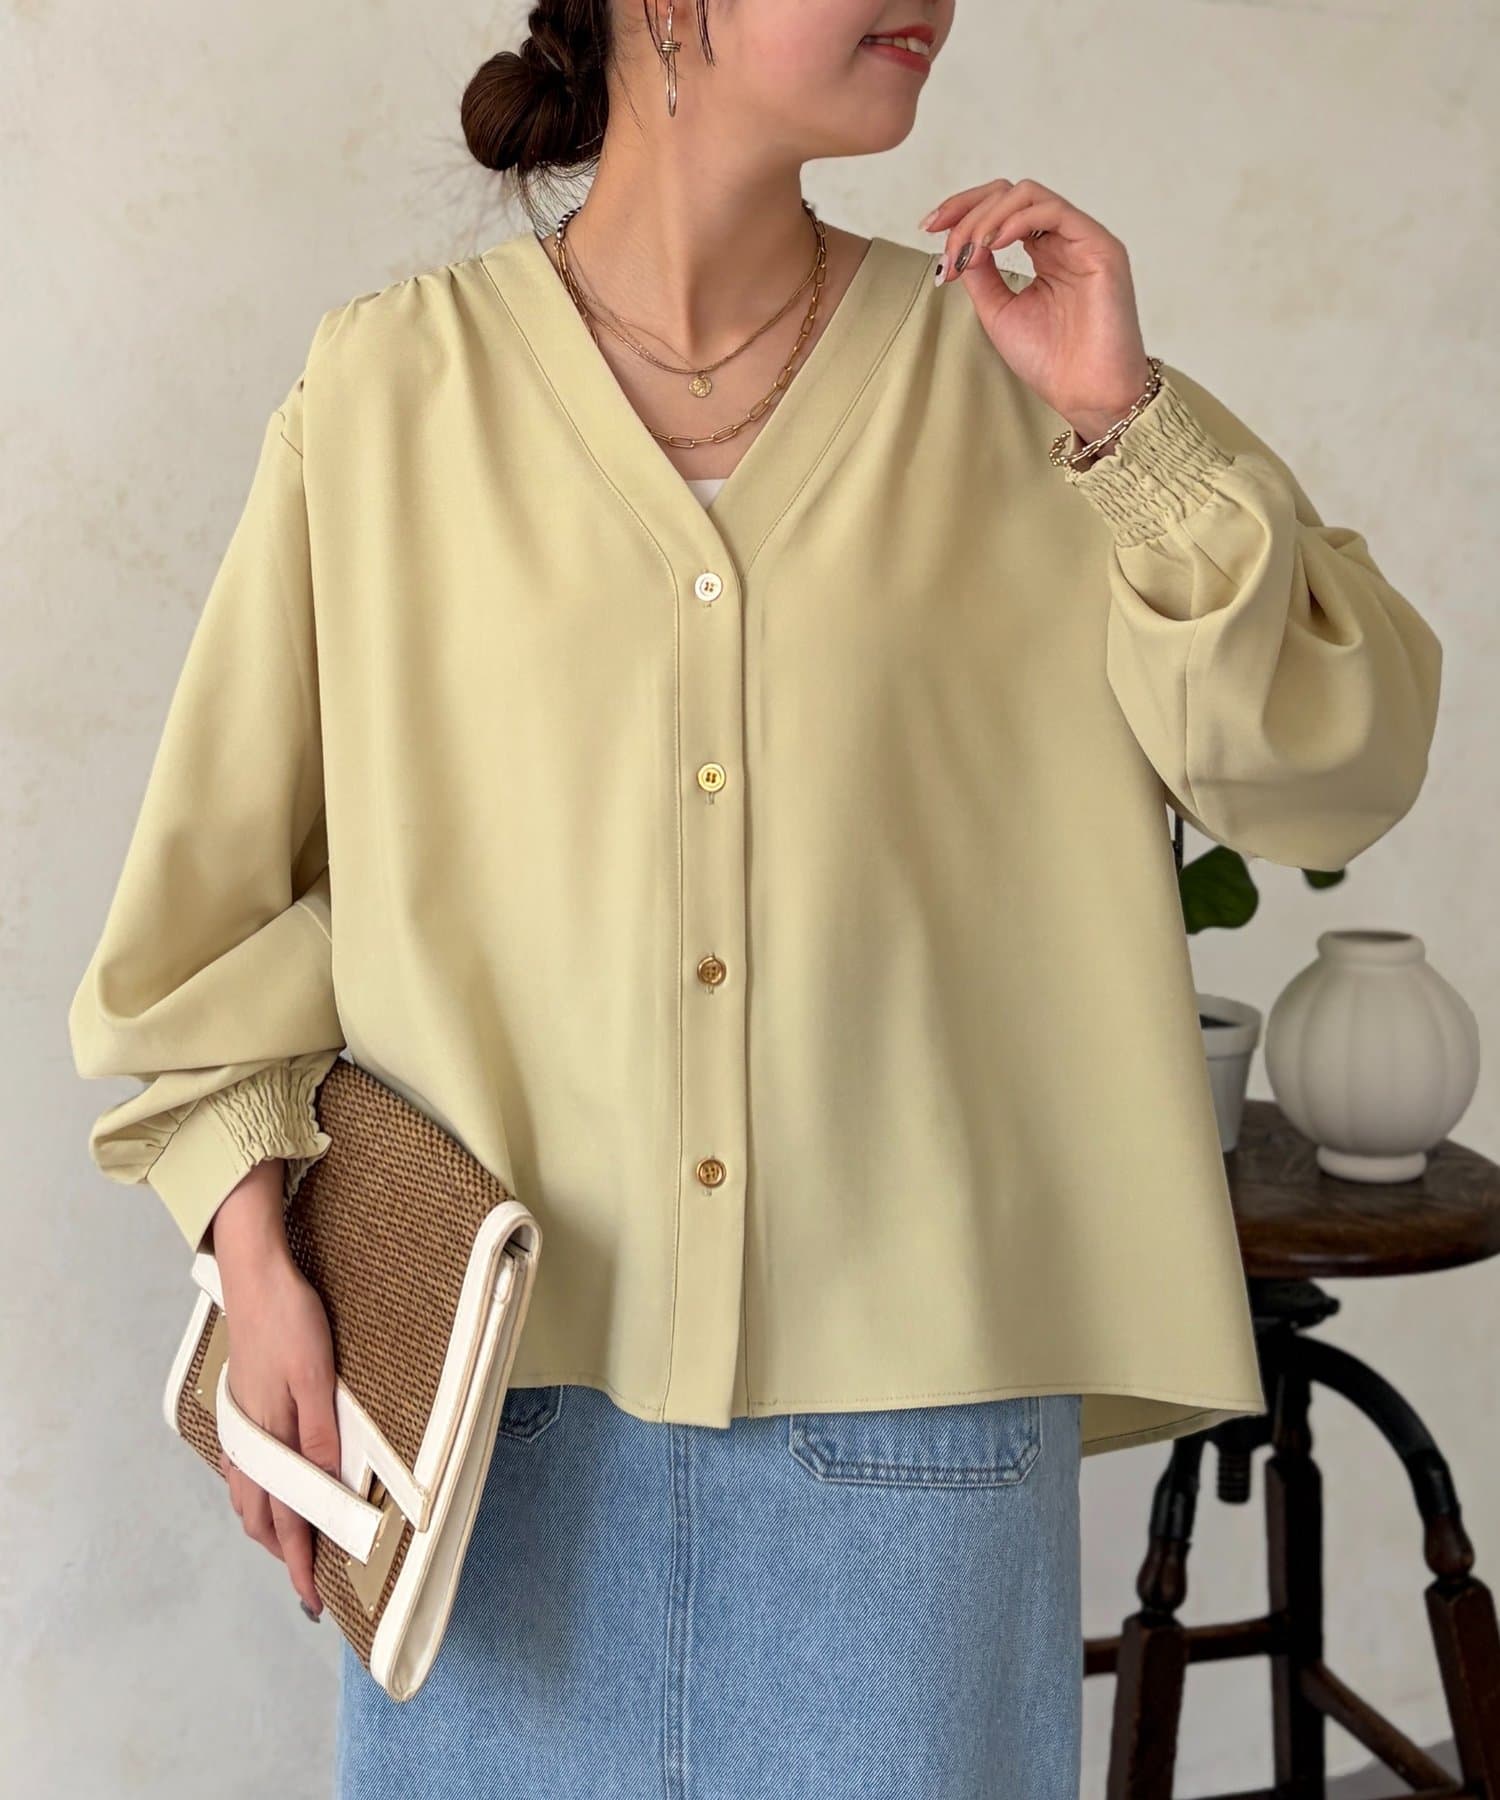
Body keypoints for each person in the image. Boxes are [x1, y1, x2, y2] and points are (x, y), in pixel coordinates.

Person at [68, 1, 1443, 1795]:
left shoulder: (1020, 384)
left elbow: (1336, 760)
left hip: (917, 1434)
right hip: (491, 1433)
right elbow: (212, 919)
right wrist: (256, 1269)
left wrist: (1125, 425)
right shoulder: (387, 395)